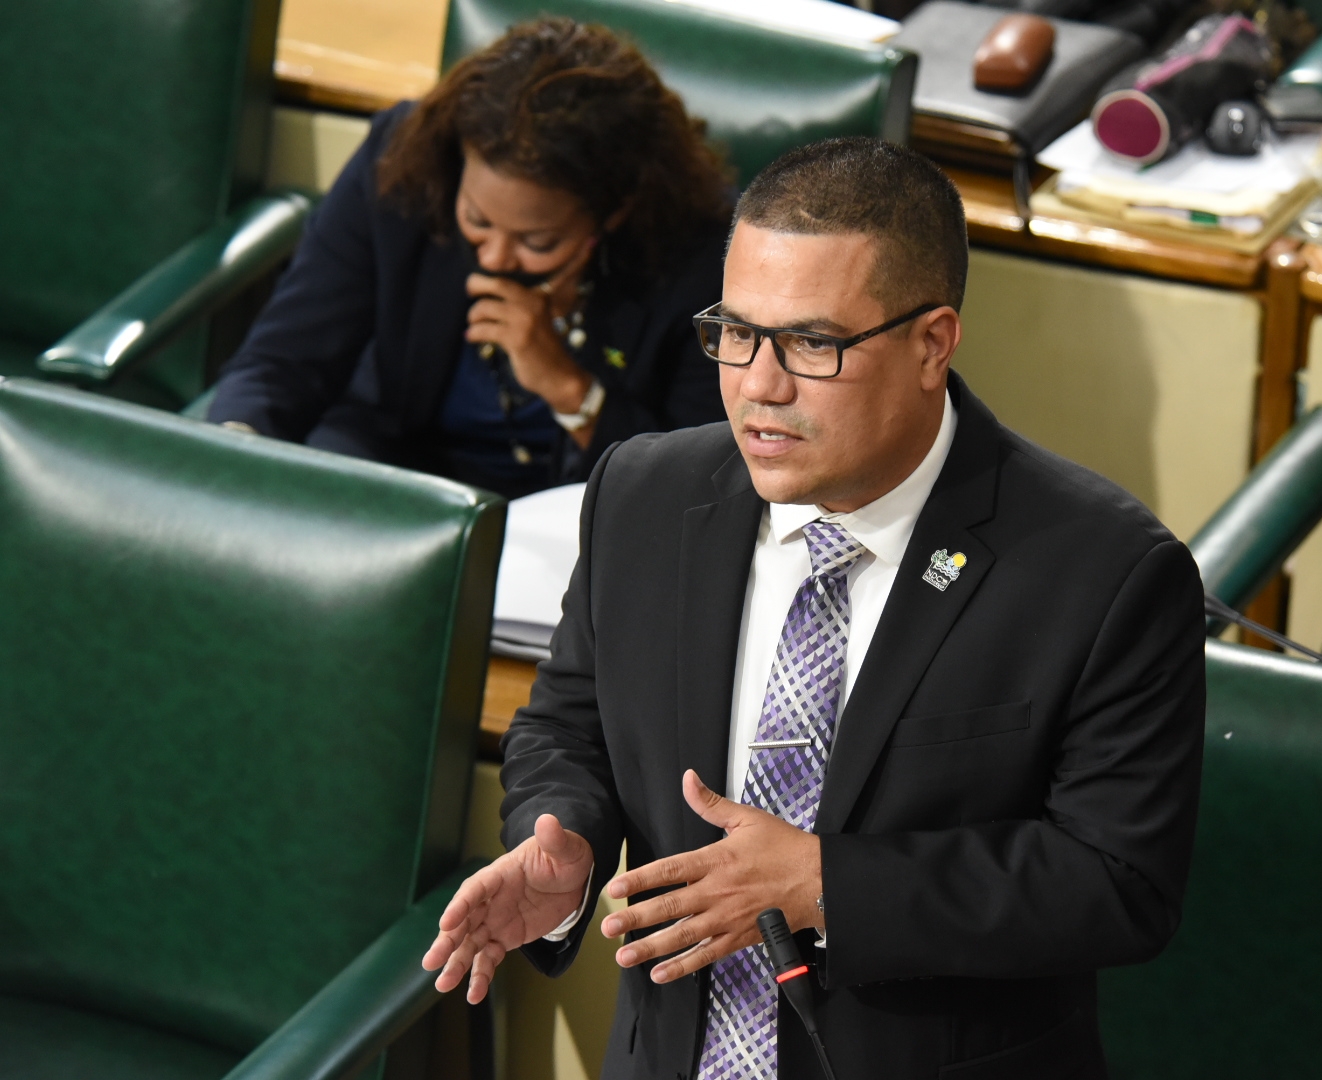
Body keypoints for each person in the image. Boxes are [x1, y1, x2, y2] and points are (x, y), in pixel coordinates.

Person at [423, 138, 1206, 1078]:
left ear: (932, 343)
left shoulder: (1103, 572)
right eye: (737, 333)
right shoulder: (645, 494)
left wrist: (824, 885)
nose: (760, 386)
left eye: (811, 344)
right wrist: (567, 842)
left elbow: (1118, 884)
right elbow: (572, 721)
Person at [208, 18, 734, 497]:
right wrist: (232, 448)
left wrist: (573, 392)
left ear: (614, 212)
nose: (496, 256)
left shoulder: (700, 256)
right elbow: (283, 361)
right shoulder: (402, 168)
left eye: (538, 241)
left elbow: (695, 482)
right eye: (477, 220)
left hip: (565, 510)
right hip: (388, 462)